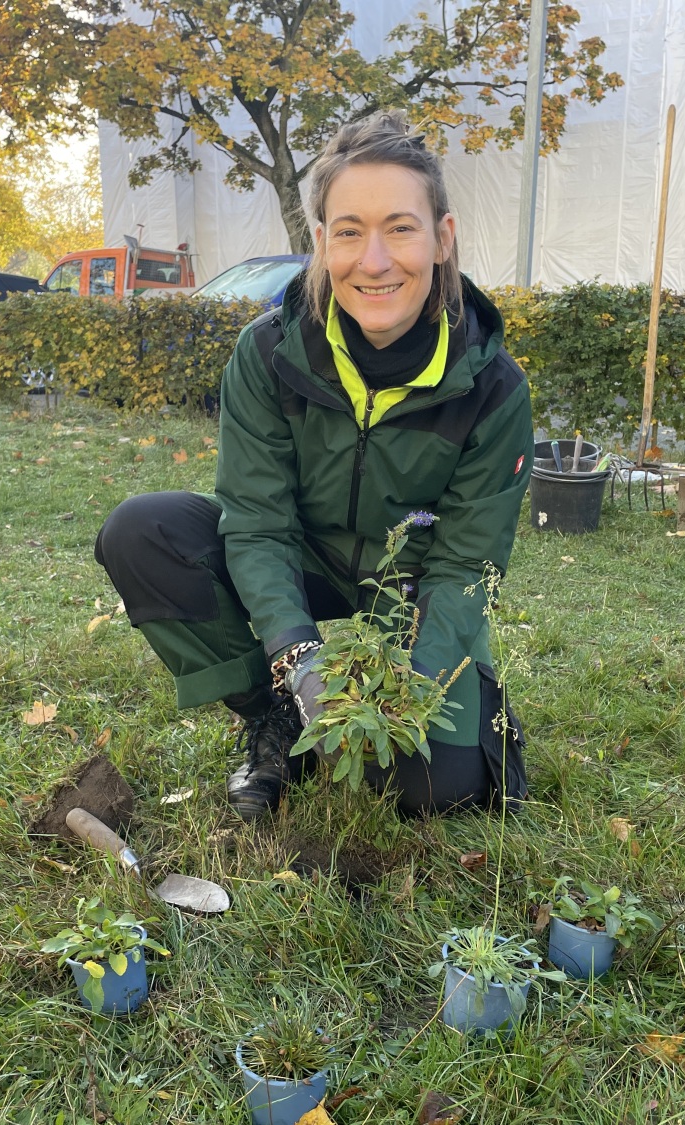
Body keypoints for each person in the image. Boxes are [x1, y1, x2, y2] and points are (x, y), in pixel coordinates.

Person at [95, 112, 533, 821]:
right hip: (303, 558)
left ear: (442, 239)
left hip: (411, 584)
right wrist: (298, 659)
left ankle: (460, 716)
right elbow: (259, 523)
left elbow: (466, 566)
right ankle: (273, 718)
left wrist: (405, 694)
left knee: (439, 792)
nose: (376, 260)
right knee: (142, 530)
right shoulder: (268, 354)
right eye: (350, 231)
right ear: (322, 242)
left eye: (401, 227)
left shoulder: (494, 387)